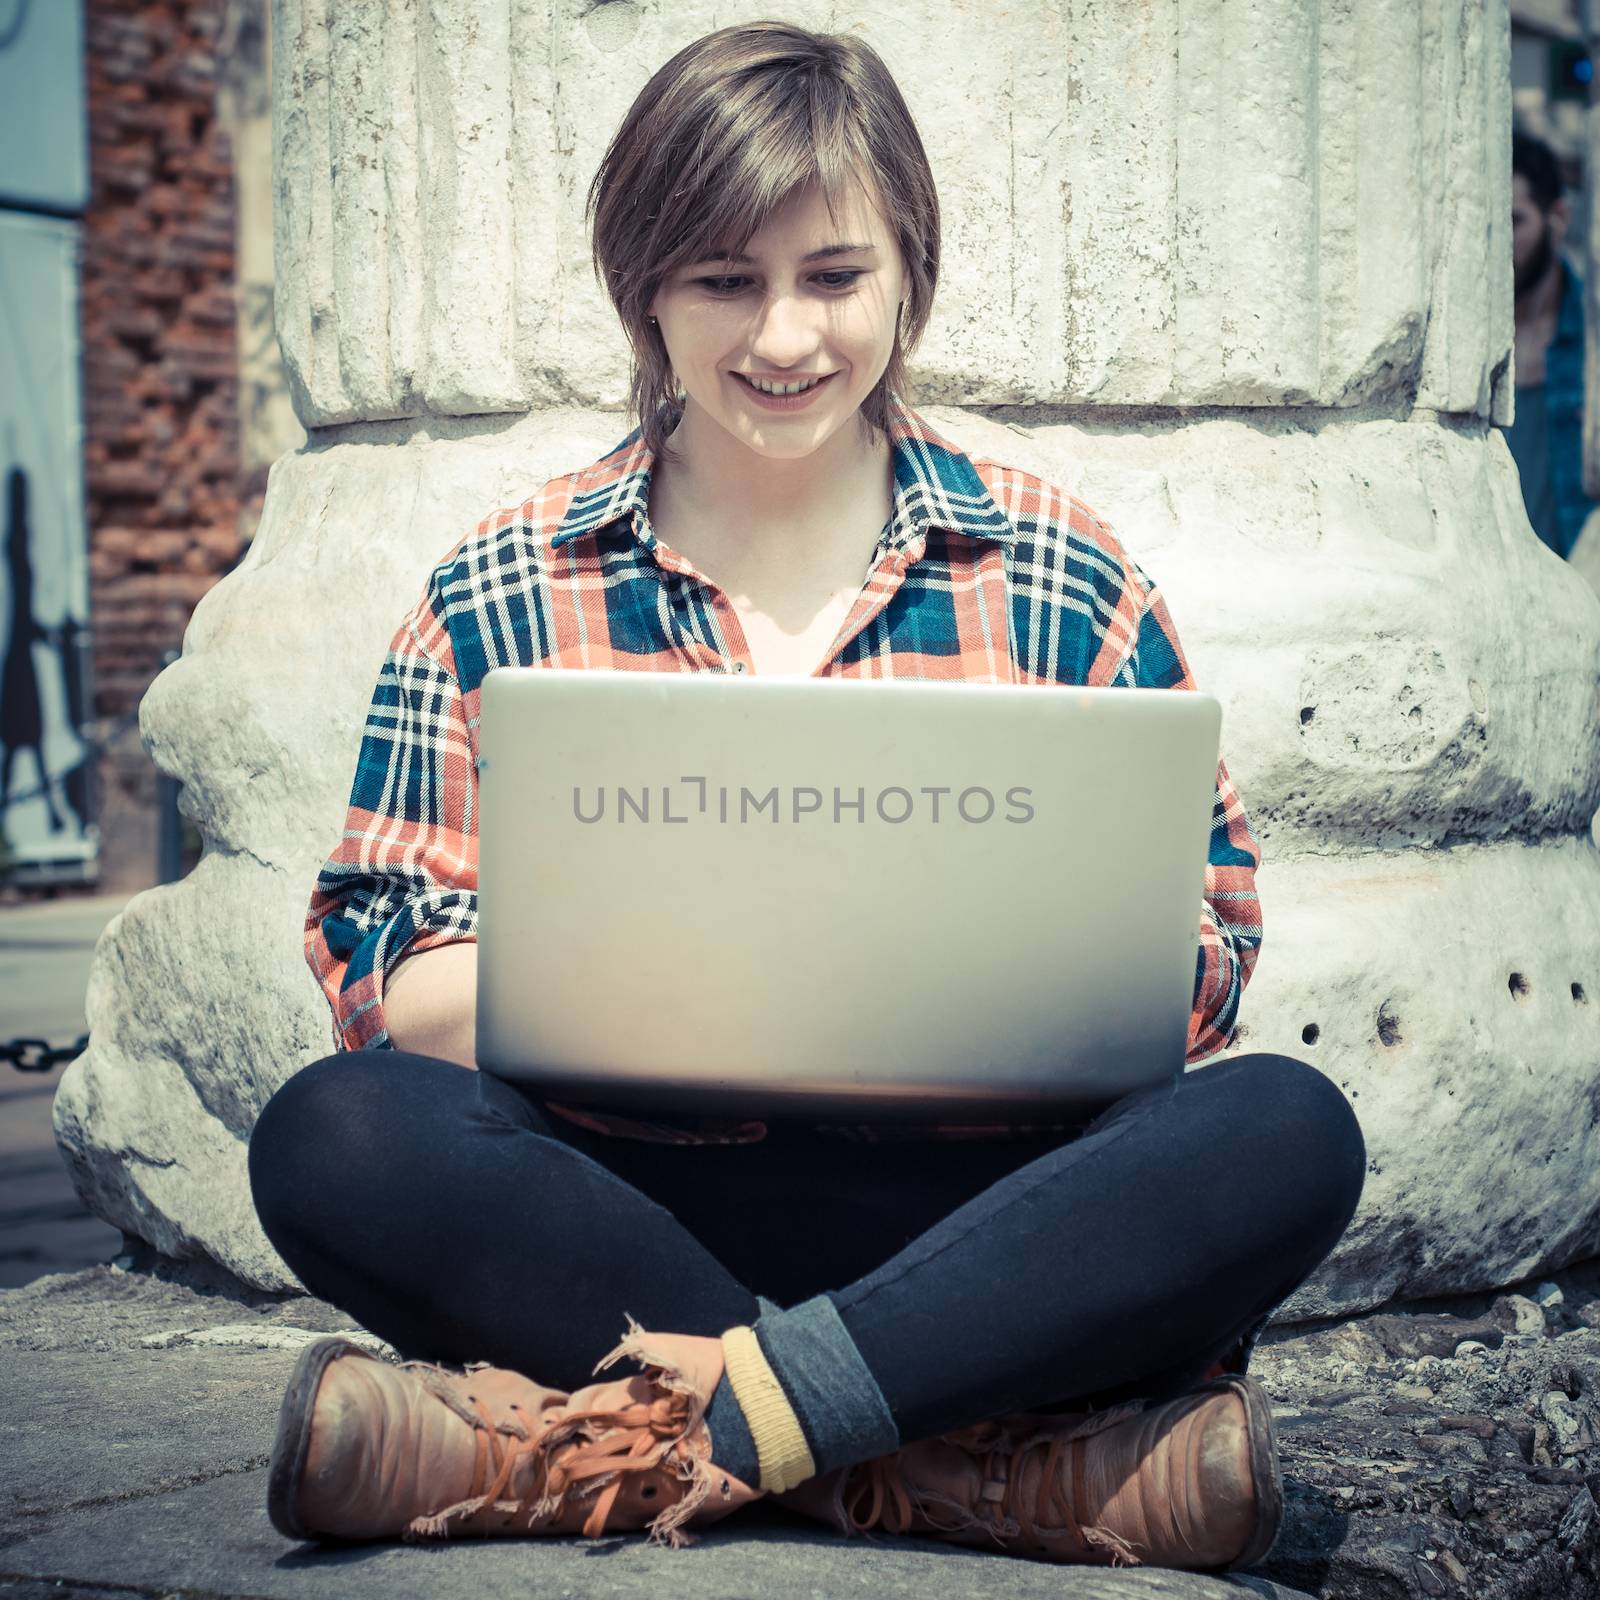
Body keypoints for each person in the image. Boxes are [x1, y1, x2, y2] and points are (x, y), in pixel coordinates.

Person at [247, 20, 1366, 1573]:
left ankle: (597, 1447)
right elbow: (376, 957)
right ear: (643, 285)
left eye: (833, 277)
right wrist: (672, 976)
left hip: (978, 1223)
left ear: (908, 272)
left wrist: (984, 966)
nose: (783, 335)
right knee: (336, 1139)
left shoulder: (1058, 570)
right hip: (633, 1213)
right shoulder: (502, 584)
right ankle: (964, 1463)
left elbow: (1208, 961)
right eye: (723, 279)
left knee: (1286, 1131)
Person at [1506, 129, 1599, 560]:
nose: (1501, 242)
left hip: (1575, 586)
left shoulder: (1589, 336)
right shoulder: (1476, 339)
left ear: (1557, 217)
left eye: (1515, 220)